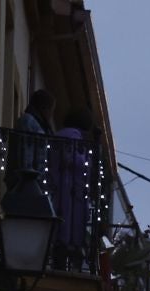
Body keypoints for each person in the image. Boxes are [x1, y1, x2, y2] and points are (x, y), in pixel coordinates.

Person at [49, 106, 97, 270]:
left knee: (60, 223)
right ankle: (67, 256)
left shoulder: (60, 135)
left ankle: (61, 255)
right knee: (68, 226)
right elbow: (76, 161)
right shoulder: (74, 138)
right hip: (70, 191)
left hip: (59, 189)